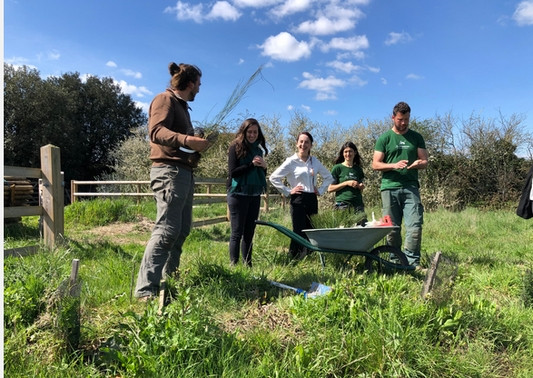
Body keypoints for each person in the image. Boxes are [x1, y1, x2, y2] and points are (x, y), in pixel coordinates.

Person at [135, 62, 211, 300]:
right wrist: (188, 140)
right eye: (198, 84)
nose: (199, 88)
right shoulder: (164, 100)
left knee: (181, 230)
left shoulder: (182, 107)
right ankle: (145, 290)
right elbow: (156, 132)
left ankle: (170, 280)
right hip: (169, 173)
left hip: (183, 173)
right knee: (167, 230)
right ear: (189, 84)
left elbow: (180, 142)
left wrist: (196, 145)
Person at [372, 101, 428, 268]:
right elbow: (375, 164)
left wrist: (419, 163)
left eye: (407, 119)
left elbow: (425, 161)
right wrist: (393, 165)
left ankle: (412, 263)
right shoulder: (385, 138)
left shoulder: (416, 137)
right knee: (392, 229)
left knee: (414, 226)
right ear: (393, 117)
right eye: (400, 119)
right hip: (389, 188)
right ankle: (395, 261)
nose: (403, 123)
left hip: (410, 187)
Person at [269, 131, 333, 258]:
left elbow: (329, 177)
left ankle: (310, 256)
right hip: (298, 197)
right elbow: (274, 178)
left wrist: (320, 190)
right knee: (298, 230)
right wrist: (288, 191)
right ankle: (294, 258)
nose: (303, 145)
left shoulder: (315, 161)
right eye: (301, 142)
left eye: (307, 142)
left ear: (311, 145)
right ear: (297, 143)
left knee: (311, 229)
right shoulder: (291, 161)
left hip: (312, 198)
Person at [226, 118, 268, 267]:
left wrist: (264, 166)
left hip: (254, 195)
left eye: (255, 132)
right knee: (237, 233)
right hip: (238, 194)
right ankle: (234, 266)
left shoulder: (259, 150)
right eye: (249, 132)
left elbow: (260, 173)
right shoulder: (235, 147)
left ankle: (248, 265)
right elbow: (233, 173)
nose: (252, 135)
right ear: (244, 132)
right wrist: (251, 165)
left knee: (249, 233)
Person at [328, 141, 366, 217]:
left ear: (355, 152)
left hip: (358, 205)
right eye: (345, 152)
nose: (348, 154)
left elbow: (361, 186)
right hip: (343, 205)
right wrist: (346, 183)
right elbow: (330, 188)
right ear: (342, 153)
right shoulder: (337, 168)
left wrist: (361, 186)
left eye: (350, 151)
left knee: (361, 227)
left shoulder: (358, 169)